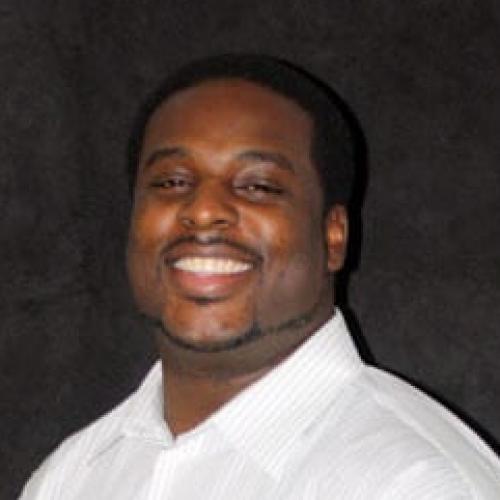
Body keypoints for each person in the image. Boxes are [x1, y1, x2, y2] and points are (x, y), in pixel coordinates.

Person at [20, 54, 500, 499]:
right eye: (172, 182)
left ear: (333, 237)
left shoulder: (416, 484)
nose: (203, 210)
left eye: (259, 186)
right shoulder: (71, 478)